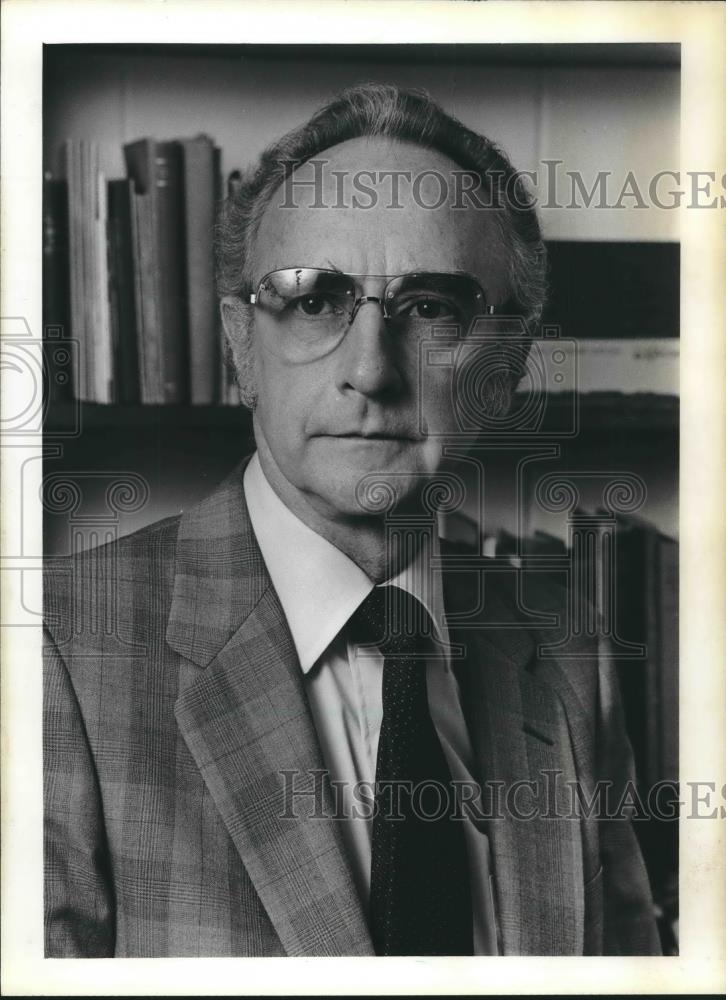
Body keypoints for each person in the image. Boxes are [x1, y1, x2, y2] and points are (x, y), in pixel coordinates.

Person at [43, 83, 661, 957]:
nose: (369, 372)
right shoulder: (53, 649)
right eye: (313, 300)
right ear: (240, 347)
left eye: (432, 309)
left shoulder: (568, 657)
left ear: (511, 364)